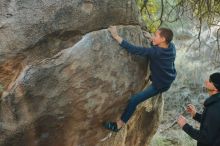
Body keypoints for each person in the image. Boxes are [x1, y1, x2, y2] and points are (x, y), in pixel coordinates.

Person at [104, 26, 177, 132]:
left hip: (160, 85)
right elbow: (159, 49)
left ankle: (119, 125)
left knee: (134, 100)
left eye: (156, 35)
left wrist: (116, 36)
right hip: (168, 77)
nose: (153, 36)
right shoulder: (171, 47)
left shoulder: (155, 52)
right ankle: (154, 77)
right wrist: (152, 39)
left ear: (163, 39)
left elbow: (134, 50)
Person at [177, 72, 220, 146]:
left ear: (216, 88)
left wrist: (185, 126)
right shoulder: (216, 102)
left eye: (210, 81)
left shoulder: (215, 107)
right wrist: (195, 115)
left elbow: (206, 138)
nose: (206, 81)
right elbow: (213, 123)